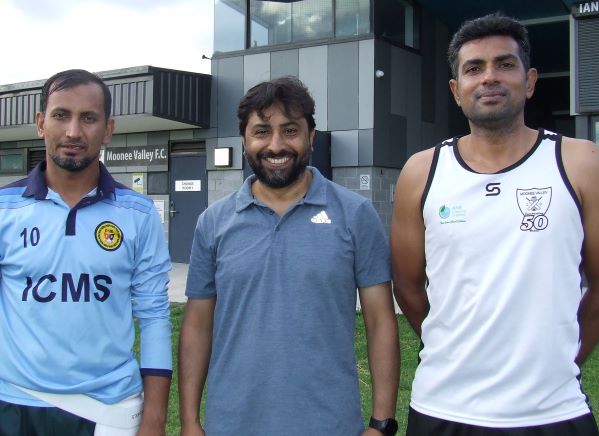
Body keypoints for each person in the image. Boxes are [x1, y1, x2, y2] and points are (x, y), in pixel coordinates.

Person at [391, 12, 599, 435]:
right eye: (474, 68)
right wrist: (456, 344)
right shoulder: (422, 171)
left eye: (505, 64)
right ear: (456, 90)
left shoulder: (580, 161)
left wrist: (566, 358)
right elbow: (408, 287)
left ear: (531, 80)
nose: (490, 78)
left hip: (552, 411)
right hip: (443, 407)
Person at [179, 76, 399, 436]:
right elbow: (197, 326)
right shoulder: (213, 223)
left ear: (311, 137)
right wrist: (189, 421)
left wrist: (382, 423)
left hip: (331, 424)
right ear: (245, 141)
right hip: (232, 423)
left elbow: (381, 323)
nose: (276, 145)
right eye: (262, 131)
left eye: (290, 130)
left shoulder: (355, 214)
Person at [0, 69, 172, 435]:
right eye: (61, 115)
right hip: (15, 402)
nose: (74, 132)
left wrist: (155, 419)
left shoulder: (139, 214)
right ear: (40, 123)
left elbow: (156, 317)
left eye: (88, 118)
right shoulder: (4, 208)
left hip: (109, 408)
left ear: (108, 129)